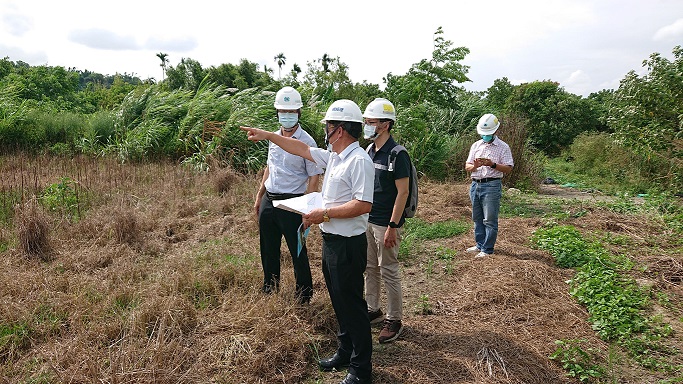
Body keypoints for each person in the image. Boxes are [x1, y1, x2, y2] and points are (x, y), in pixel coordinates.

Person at [241, 99, 375, 384]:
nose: (324, 129)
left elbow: (363, 205)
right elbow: (299, 148)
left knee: (352, 305)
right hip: (331, 240)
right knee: (339, 301)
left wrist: (322, 213)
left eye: (328, 125)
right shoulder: (335, 156)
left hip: (348, 245)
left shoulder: (359, 160)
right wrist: (267, 135)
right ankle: (344, 351)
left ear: (339, 130)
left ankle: (361, 369)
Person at [254, 86, 322, 304]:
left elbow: (313, 178)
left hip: (293, 203)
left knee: (298, 251)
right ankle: (269, 287)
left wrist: (307, 207)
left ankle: (304, 295)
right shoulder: (272, 137)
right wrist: (259, 196)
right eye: (283, 111)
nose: (287, 115)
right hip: (269, 199)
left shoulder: (307, 142)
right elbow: (269, 167)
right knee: (268, 248)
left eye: (291, 111)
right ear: (277, 113)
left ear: (299, 113)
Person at [362, 98, 409, 344]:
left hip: (385, 223)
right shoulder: (370, 151)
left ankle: (394, 319)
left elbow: (403, 192)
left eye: (371, 122)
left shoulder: (397, 154)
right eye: (366, 121)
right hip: (368, 219)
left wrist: (393, 226)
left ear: (386, 124)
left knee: (388, 270)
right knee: (370, 268)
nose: (367, 126)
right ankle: (373, 309)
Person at [464, 113, 514, 258]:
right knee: (477, 217)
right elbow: (467, 166)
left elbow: (509, 168)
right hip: (475, 184)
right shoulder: (476, 145)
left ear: (495, 131)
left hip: (491, 185)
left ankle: (487, 249)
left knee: (490, 219)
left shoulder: (503, 147)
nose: (485, 136)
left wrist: (492, 164)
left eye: (488, 134)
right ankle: (479, 244)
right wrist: (475, 165)